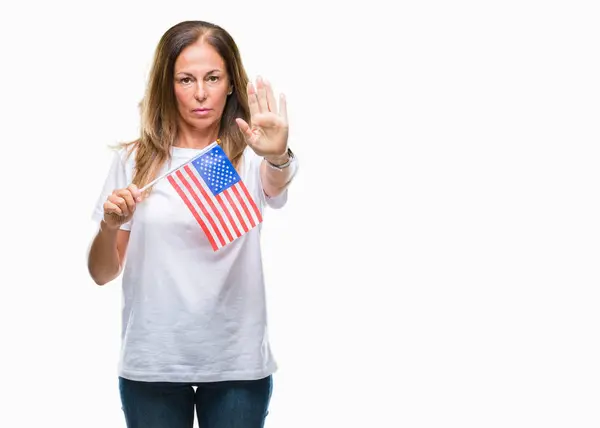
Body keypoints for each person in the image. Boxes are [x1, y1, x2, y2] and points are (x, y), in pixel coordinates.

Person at [87, 20, 298, 428]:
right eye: (186, 79)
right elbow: (101, 273)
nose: (201, 93)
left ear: (231, 83)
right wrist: (110, 226)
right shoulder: (134, 162)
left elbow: (277, 181)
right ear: (168, 85)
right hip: (153, 363)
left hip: (237, 365)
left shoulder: (251, 155)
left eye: (213, 78)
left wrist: (277, 156)